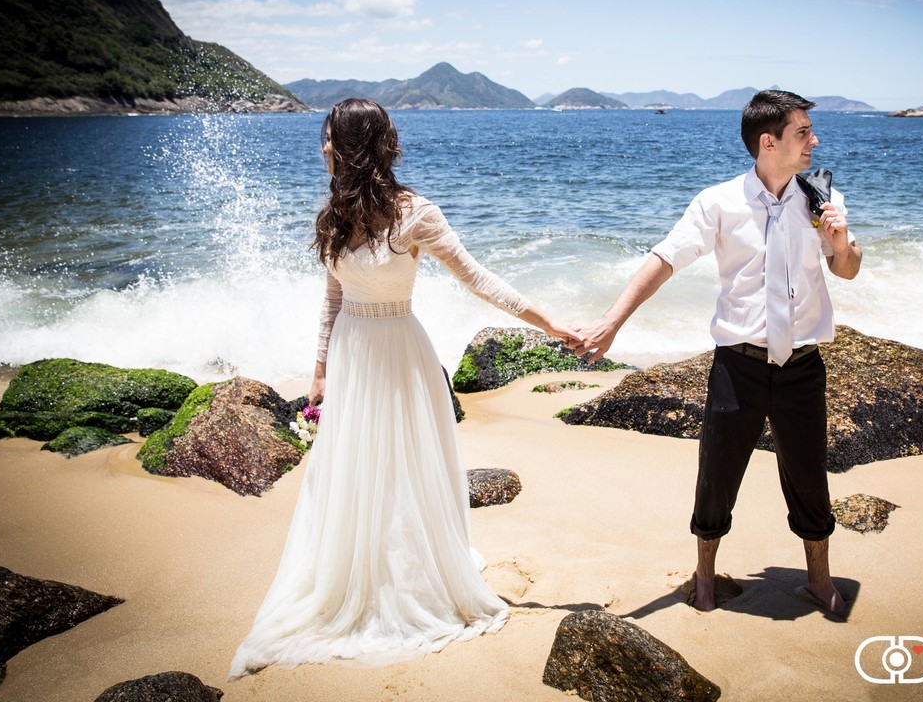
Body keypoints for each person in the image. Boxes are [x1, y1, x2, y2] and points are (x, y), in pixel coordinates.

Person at [230, 98, 577, 678]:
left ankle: (407, 578)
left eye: (329, 137)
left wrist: (549, 323)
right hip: (353, 353)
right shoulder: (334, 214)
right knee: (357, 470)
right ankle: (360, 572)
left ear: (352, 146)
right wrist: (320, 369)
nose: (322, 147)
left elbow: (478, 279)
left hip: (399, 351)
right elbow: (333, 296)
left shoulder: (415, 214)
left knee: (402, 467)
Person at [573, 89, 862, 617]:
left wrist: (841, 244)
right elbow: (666, 258)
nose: (814, 141)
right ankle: (704, 576)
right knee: (717, 474)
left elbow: (847, 269)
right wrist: (612, 321)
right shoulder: (719, 202)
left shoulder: (820, 195)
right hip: (738, 365)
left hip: (803, 367)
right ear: (769, 142)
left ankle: (819, 580)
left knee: (809, 475)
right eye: (803, 132)